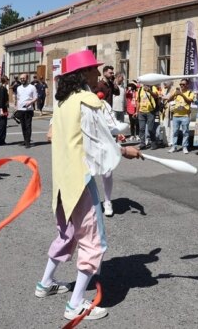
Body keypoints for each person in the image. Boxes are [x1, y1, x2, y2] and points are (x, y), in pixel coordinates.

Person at [37, 50, 142, 321]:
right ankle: (74, 304)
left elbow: (72, 137)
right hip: (80, 182)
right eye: (95, 70)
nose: (98, 74)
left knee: (68, 234)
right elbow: (101, 139)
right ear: (83, 74)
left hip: (62, 182)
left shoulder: (61, 103)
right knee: (94, 242)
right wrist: (125, 151)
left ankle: (45, 284)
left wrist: (118, 143)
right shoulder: (86, 101)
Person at [167, 79, 194, 154]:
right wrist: (174, 94)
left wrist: (182, 94)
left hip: (185, 115)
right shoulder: (176, 93)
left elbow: (189, 101)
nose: (181, 86)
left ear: (187, 85)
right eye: (180, 84)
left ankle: (185, 147)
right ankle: (174, 146)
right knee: (175, 132)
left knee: (185, 132)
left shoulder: (190, 93)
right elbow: (169, 100)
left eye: (183, 84)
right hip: (176, 115)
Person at [15, 73, 37, 148]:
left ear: (27, 78)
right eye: (21, 78)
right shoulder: (18, 88)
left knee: (28, 126)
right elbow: (18, 98)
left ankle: (28, 142)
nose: (22, 79)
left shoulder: (32, 87)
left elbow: (36, 97)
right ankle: (25, 140)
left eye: (23, 78)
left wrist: (30, 102)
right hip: (21, 109)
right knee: (23, 126)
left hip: (28, 109)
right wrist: (17, 108)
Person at [136, 83, 159, 150]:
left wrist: (149, 91)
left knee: (150, 129)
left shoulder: (152, 87)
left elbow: (156, 96)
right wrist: (136, 111)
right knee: (141, 129)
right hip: (141, 111)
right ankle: (142, 144)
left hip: (150, 111)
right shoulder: (140, 89)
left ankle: (153, 143)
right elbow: (138, 101)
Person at [0, 76, 10, 146]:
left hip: (4, 108)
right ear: (5, 80)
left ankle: (2, 140)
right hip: (2, 108)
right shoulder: (1, 89)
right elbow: (0, 100)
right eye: (7, 80)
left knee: (4, 124)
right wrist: (1, 110)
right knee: (2, 124)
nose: (8, 81)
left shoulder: (4, 88)